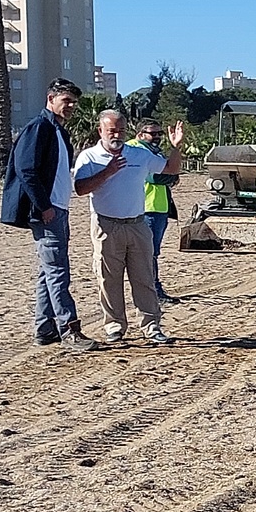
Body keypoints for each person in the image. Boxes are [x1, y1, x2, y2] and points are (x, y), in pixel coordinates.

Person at [0, 78, 99, 351]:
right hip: (48, 211)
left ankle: (45, 330)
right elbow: (26, 170)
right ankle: (70, 330)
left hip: (58, 208)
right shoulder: (39, 128)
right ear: (51, 98)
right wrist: (43, 206)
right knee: (58, 272)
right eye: (66, 101)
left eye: (73, 103)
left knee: (48, 272)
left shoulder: (57, 130)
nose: (70, 107)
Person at [73, 110, 184, 345]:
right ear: (100, 131)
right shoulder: (89, 157)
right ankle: (114, 327)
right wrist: (108, 171)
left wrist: (176, 147)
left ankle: (151, 325)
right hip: (106, 225)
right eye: (112, 130)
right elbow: (80, 189)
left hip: (137, 224)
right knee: (108, 279)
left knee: (144, 277)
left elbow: (170, 169)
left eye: (121, 130)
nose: (117, 135)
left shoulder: (139, 154)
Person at [128, 119, 179, 304]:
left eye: (159, 133)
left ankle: (153, 290)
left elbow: (171, 173)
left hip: (159, 208)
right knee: (147, 254)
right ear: (140, 134)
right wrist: (171, 175)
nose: (157, 137)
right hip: (146, 208)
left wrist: (171, 174)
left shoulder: (151, 150)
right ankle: (154, 291)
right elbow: (156, 177)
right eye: (153, 133)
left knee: (152, 253)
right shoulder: (136, 149)